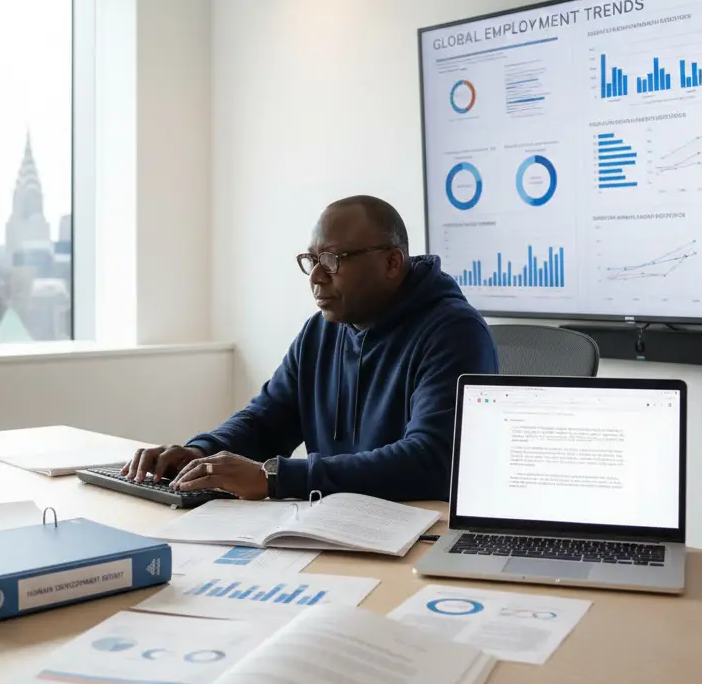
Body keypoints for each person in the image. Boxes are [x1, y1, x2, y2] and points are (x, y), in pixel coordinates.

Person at [122, 195, 498, 501]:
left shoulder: (453, 332)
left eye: (333, 260)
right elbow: (267, 419)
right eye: (312, 260)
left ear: (392, 262)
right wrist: (201, 453)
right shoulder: (321, 330)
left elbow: (432, 460)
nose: (316, 276)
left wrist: (275, 478)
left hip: (419, 529)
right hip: (337, 524)